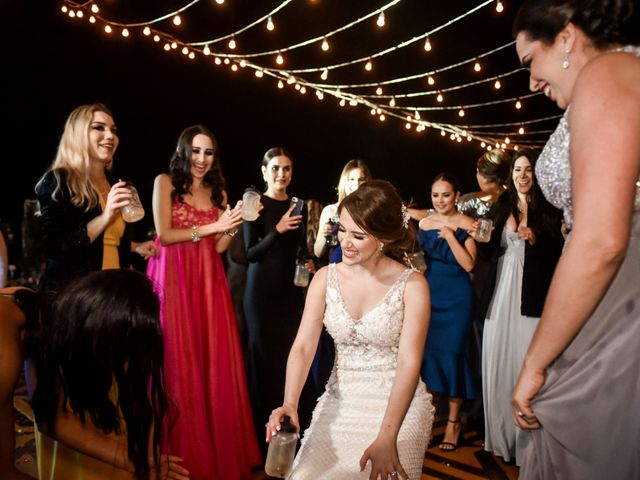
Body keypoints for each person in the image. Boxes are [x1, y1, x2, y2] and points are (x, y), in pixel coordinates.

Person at [510, 1, 640, 478]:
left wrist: (535, 362)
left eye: (530, 63)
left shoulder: (609, 72)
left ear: (566, 38)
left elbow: (602, 240)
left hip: (620, 298)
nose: (532, 83)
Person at [267, 180, 434, 479]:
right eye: (341, 230)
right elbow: (304, 346)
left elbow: (410, 361)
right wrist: (289, 403)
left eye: (357, 236)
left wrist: (387, 436)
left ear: (383, 238)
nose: (344, 242)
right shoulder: (324, 279)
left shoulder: (413, 286)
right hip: (340, 403)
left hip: (397, 407)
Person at [146, 125, 260, 479]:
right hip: (173, 279)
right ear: (183, 151)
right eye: (195, 151)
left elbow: (220, 247)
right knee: (176, 360)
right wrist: (212, 228)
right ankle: (174, 455)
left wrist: (231, 223)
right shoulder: (164, 182)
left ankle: (217, 455)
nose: (201, 159)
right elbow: (164, 235)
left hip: (208, 281)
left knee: (212, 363)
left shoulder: (218, 191)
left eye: (208, 153)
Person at [30, 269, 189, 480]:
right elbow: (50, 419)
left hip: (115, 429)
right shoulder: (45, 331)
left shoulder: (123, 336)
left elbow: (141, 397)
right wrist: (134, 461)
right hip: (75, 447)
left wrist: (146, 459)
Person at [477, 149, 563, 465]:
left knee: (526, 361)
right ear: (511, 175)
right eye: (517, 170)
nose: (522, 175)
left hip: (533, 296)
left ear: (535, 174)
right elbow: (484, 251)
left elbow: (558, 254)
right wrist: (479, 236)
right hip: (501, 293)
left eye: (528, 169)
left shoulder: (549, 209)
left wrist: (537, 237)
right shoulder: (500, 208)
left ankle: (530, 444)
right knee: (499, 362)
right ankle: (503, 440)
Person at [34, 103, 157, 294]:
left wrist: (134, 247)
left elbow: (108, 241)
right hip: (76, 298)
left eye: (113, 131)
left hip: (112, 295)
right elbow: (60, 248)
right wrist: (106, 215)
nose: (110, 136)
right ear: (78, 134)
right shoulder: (57, 182)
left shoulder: (116, 183)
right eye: (99, 127)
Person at [243, 147, 317, 456]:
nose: (281, 174)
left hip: (290, 295)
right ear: (264, 171)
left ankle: (294, 439)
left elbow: (298, 249)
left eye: (286, 168)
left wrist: (308, 261)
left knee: (291, 362)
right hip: (260, 296)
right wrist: (277, 229)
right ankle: (263, 444)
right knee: (263, 366)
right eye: (275, 168)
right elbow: (250, 253)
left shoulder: (299, 205)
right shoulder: (254, 202)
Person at [417, 173, 478, 451]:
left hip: (457, 299)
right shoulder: (424, 223)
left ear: (456, 196)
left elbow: (468, 265)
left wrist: (452, 237)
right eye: (435, 195)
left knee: (453, 356)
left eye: (446, 194)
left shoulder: (468, 224)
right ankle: (429, 422)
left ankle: (453, 424)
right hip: (430, 295)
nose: (440, 200)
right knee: (430, 357)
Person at [313, 159, 372, 264]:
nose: (356, 185)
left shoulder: (372, 211)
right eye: (351, 179)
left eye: (361, 179)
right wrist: (324, 234)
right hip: (336, 270)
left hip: (363, 271)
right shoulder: (331, 211)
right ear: (344, 182)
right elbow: (318, 253)